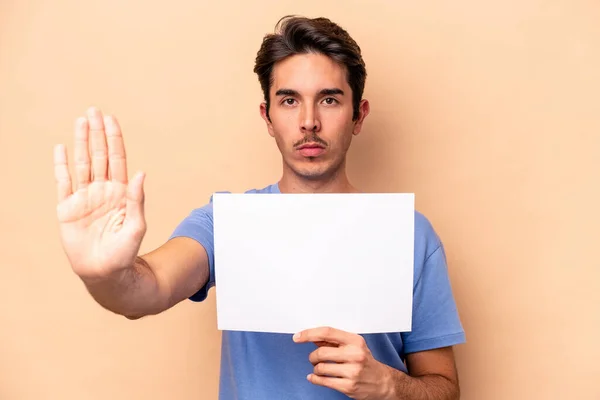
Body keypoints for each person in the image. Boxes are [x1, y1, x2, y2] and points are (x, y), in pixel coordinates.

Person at [53, 15, 466, 400]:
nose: (308, 122)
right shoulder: (226, 221)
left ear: (358, 115)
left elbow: (444, 387)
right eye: (289, 101)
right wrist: (105, 274)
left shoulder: (410, 234)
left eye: (329, 100)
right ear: (268, 118)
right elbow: (148, 289)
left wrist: (390, 385)